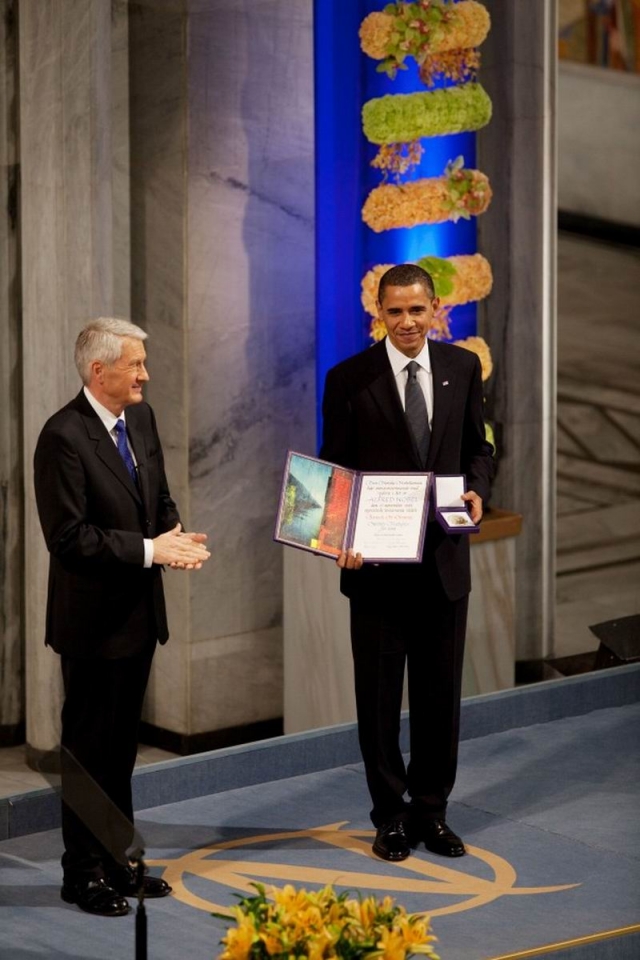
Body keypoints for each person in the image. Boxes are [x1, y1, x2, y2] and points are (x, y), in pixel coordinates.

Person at [34, 317, 211, 917]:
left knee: (120, 752)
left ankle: (118, 862)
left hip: (138, 617)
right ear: (98, 370)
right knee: (89, 753)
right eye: (135, 364)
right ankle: (82, 874)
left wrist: (175, 535)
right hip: (91, 625)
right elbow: (69, 538)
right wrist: (150, 550)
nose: (145, 375)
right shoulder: (62, 436)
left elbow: (156, 495)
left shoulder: (141, 418)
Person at [319, 264, 494, 862]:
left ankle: (431, 812)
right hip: (376, 571)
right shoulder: (348, 379)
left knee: (440, 699)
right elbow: (335, 470)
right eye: (395, 312)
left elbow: (478, 448)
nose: (407, 322)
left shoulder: (462, 368)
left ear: (435, 308)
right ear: (379, 313)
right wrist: (338, 535)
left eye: (417, 310)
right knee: (378, 702)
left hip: (444, 564)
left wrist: (477, 490)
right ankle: (390, 816)